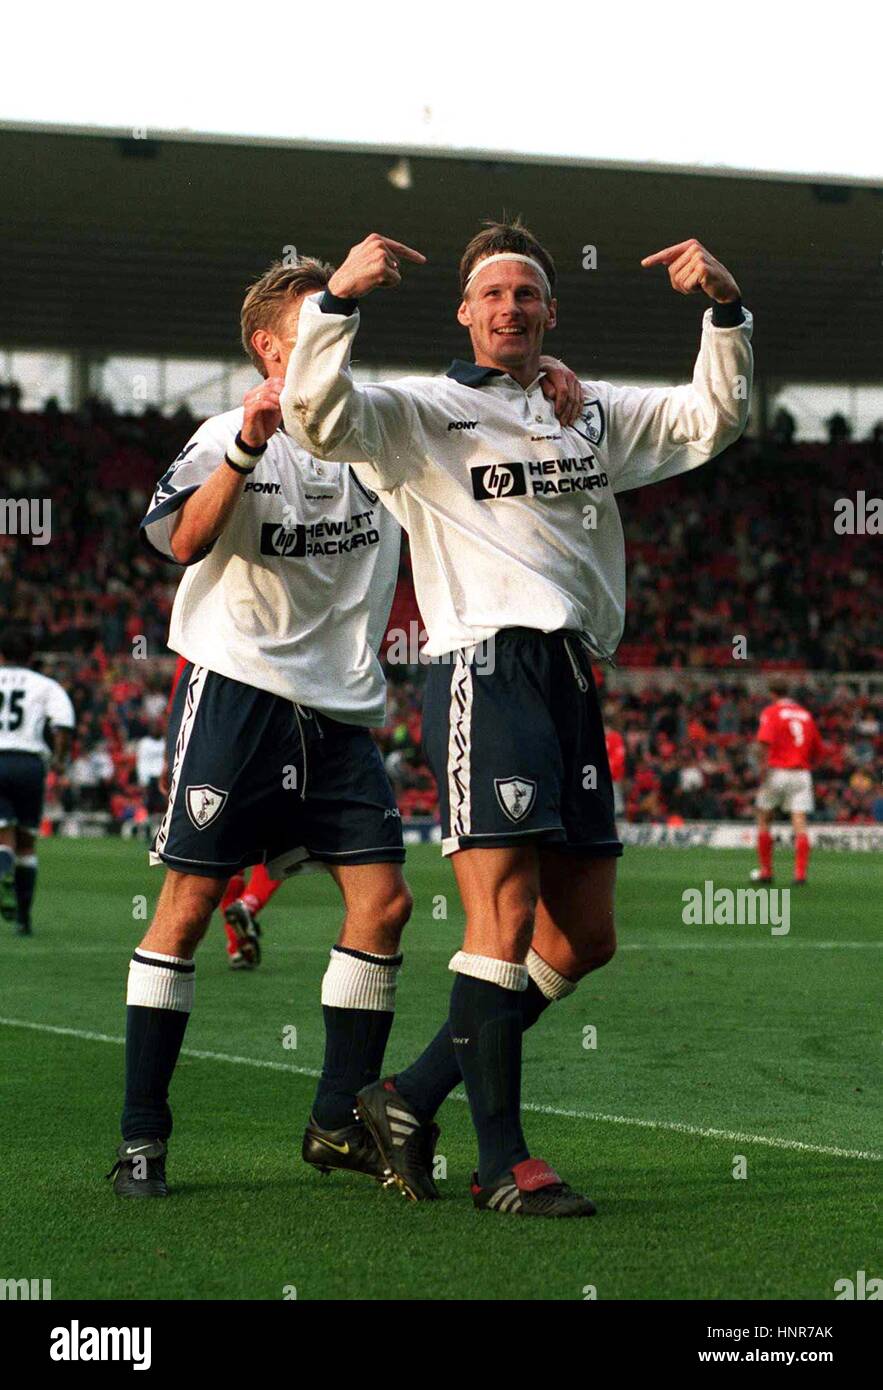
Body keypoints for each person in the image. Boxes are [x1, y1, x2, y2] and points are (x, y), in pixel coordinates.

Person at [283, 219, 753, 1217]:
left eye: (527, 294)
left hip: (571, 674)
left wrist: (722, 312)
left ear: (550, 311)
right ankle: (505, 1163)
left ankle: (405, 1096)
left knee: (581, 934)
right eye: (492, 293)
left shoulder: (584, 412)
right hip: (482, 667)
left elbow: (710, 420)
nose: (510, 307)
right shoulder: (419, 412)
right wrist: (337, 305)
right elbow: (317, 418)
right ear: (464, 310)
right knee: (499, 917)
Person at [108, 253, 586, 1199]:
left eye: (345, 327)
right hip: (238, 691)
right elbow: (181, 542)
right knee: (191, 908)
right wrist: (244, 450)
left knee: (385, 905)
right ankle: (140, 1139)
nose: (336, 344)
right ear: (268, 347)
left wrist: (544, 390)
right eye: (314, 328)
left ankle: (336, 1121)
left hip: (340, 711)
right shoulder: (223, 436)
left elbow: (486, 439)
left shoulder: (376, 439)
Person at [0, 628, 74, 935]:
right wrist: (58, 760)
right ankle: (23, 919)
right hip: (29, 764)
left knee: (3, 834)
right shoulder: (46, 686)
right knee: (27, 843)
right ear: (31, 656)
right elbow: (63, 725)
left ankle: (2, 869)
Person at [753, 682, 821, 885]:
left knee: (764, 818)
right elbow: (817, 749)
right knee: (800, 822)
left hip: (777, 771)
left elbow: (763, 741)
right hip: (801, 773)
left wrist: (762, 768)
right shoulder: (806, 715)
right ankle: (800, 875)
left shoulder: (772, 712)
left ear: (772, 693)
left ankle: (766, 872)